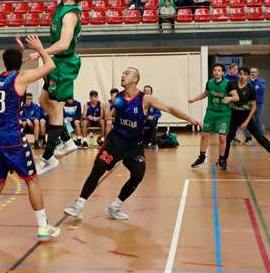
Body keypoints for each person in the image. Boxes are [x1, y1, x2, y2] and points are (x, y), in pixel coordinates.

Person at [63, 67, 199, 220]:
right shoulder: (118, 99)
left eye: (127, 73)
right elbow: (109, 116)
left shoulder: (145, 99)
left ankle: (115, 206)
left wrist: (190, 120)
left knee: (138, 175)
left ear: (135, 79)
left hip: (134, 146)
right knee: (98, 169)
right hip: (115, 142)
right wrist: (109, 112)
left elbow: (169, 108)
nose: (123, 75)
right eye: (123, 73)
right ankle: (79, 205)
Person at [0, 36, 60, 243]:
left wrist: (21, 53)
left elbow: (14, 69)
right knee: (32, 179)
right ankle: (43, 227)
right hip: (12, 138)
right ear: (19, 63)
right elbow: (49, 65)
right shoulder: (20, 79)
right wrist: (41, 49)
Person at [32, 0, 89, 174]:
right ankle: (67, 141)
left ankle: (48, 157)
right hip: (56, 60)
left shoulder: (70, 15)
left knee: (54, 107)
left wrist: (40, 52)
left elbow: (64, 43)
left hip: (63, 63)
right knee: (44, 101)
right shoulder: (62, 3)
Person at [219, 66, 270, 170]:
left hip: (246, 116)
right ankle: (223, 160)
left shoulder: (250, 88)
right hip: (234, 115)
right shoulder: (232, 85)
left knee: (260, 138)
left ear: (248, 76)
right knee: (228, 138)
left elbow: (254, 106)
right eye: (240, 74)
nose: (242, 76)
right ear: (238, 75)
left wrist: (246, 122)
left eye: (245, 74)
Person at [188, 63, 237, 169]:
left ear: (223, 72)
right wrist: (194, 99)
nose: (216, 72)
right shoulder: (209, 83)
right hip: (211, 112)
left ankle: (221, 159)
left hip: (224, 114)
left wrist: (230, 98)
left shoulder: (228, 84)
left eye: (219, 70)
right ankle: (201, 157)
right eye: (215, 70)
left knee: (222, 138)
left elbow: (236, 97)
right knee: (204, 135)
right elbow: (205, 94)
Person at [141, 85, 161, 152]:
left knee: (152, 122)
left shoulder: (155, 101)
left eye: (148, 91)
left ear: (151, 93)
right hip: (142, 120)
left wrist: (153, 116)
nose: (146, 92)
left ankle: (154, 144)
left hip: (151, 121)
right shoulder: (140, 101)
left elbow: (158, 114)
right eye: (145, 91)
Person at [249, 67, 266, 137]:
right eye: (251, 72)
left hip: (259, 104)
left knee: (258, 120)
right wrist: (255, 88)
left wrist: (251, 89)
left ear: (257, 73)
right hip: (248, 104)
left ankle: (262, 136)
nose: (253, 73)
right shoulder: (246, 81)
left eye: (254, 72)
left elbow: (261, 90)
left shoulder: (261, 81)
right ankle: (248, 138)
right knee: (248, 120)